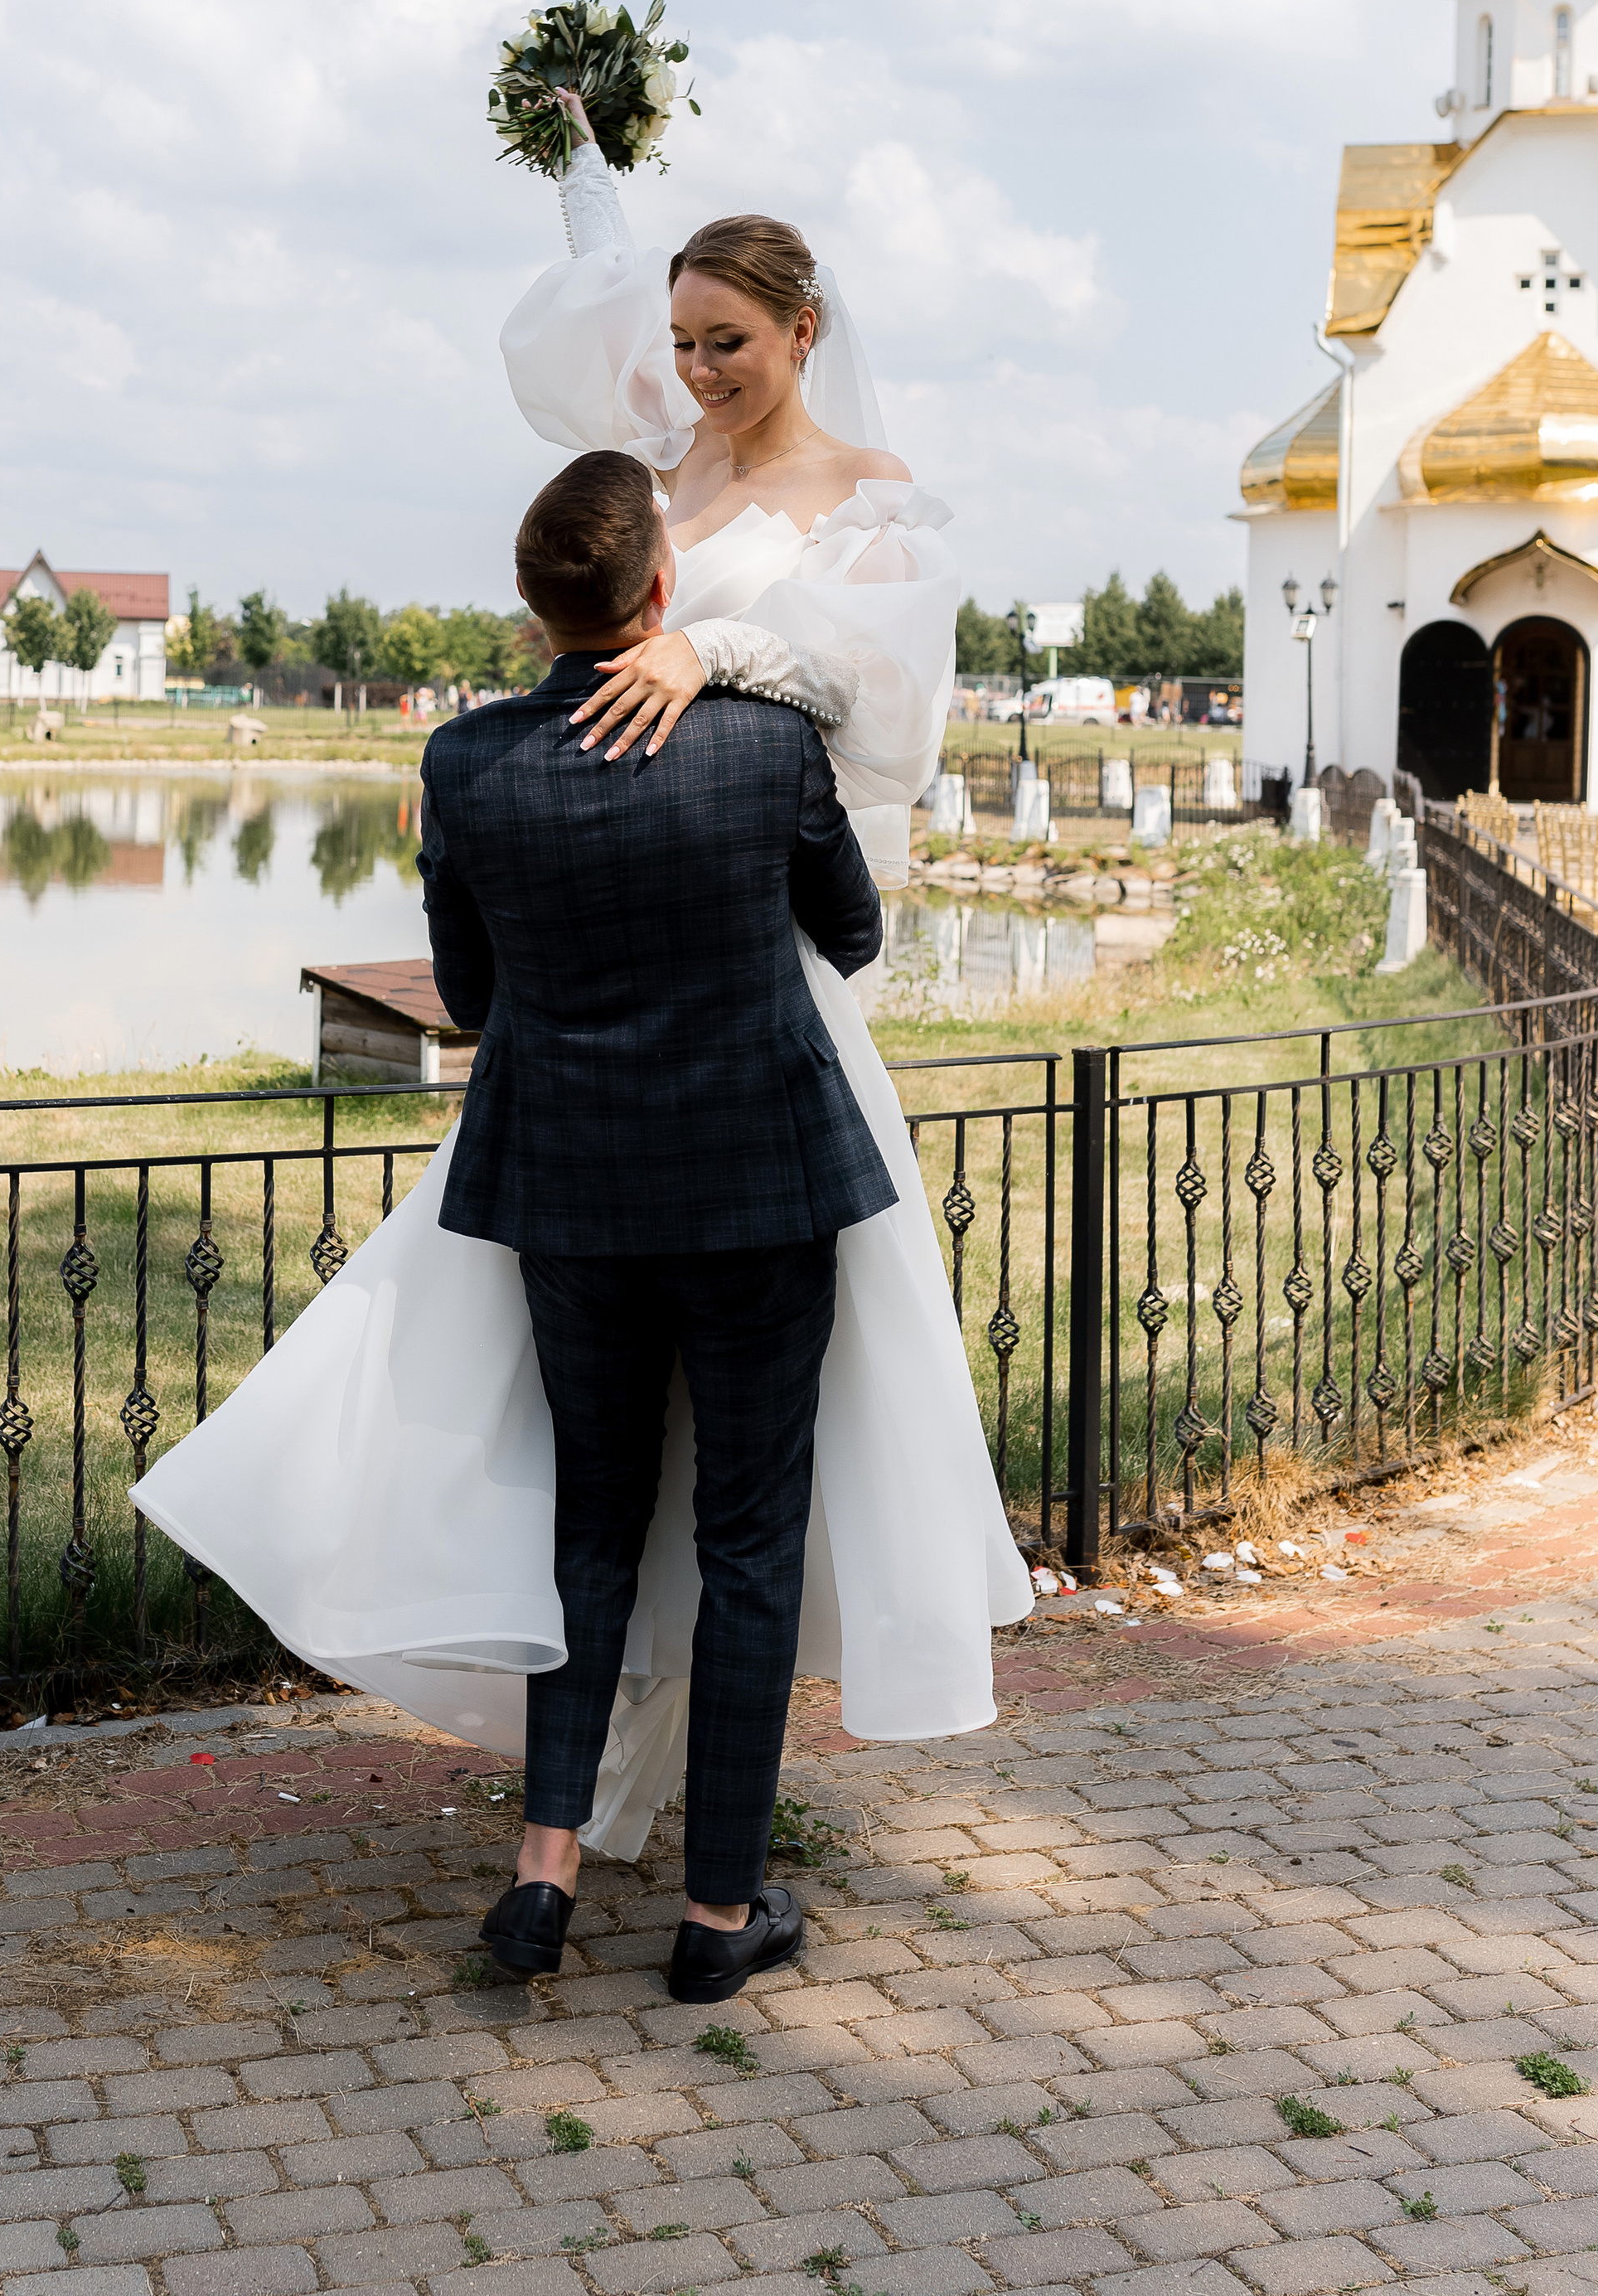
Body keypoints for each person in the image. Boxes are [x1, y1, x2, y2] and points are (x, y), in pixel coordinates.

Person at [133, 122, 1031, 1896]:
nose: (694, 372)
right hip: (652, 1010)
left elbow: (887, 723)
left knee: (736, 1464)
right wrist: (591, 173)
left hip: (748, 992)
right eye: (682, 339)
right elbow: (586, 389)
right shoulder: (652, 471)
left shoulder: (868, 495)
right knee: (599, 1462)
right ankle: (680, 1857)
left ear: (803, 329)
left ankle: (597, 1841)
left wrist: (723, 656)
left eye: (729, 343)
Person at [421, 448, 891, 1997]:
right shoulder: (761, 750)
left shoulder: (466, 765)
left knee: (591, 1526)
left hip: (572, 1192)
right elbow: (855, 930)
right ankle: (715, 1919)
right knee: (748, 1540)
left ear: (533, 601)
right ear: (663, 587)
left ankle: (542, 1879)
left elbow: (476, 1000)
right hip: (757, 1185)